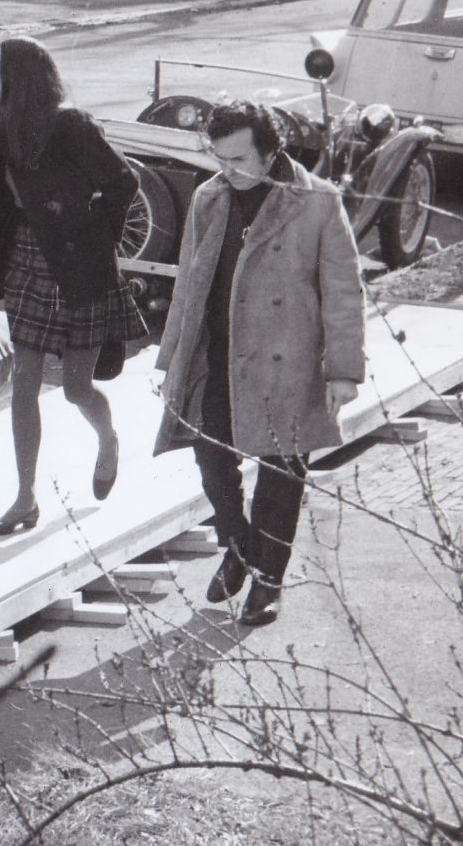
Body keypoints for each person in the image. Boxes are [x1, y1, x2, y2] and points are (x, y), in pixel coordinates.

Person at [155, 102, 367, 627]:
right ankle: (238, 544)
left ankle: (268, 581)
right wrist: (172, 357)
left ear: (271, 152)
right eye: (219, 157)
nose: (228, 169)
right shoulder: (209, 197)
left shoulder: (317, 201)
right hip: (216, 356)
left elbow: (344, 292)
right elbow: (189, 284)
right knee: (211, 461)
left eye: (239, 158)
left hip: (287, 359)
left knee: (280, 475)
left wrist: (343, 370)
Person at [0, 36, 147, 536]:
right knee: (23, 380)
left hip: (78, 265)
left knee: (75, 388)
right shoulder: (6, 129)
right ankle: (25, 498)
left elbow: (123, 183)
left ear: (17, 76)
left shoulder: (70, 125)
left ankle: (108, 439)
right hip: (28, 259)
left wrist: (93, 236)